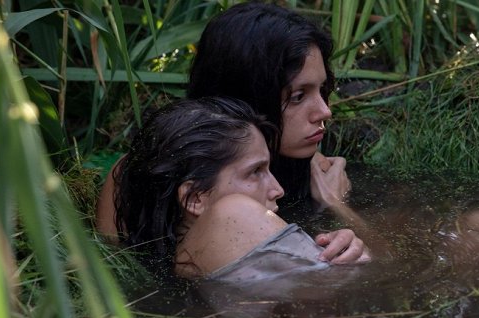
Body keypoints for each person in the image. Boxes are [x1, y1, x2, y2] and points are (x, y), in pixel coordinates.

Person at [95, 2, 375, 253]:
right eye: (298, 96)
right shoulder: (135, 178)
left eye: (322, 89)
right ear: (247, 96)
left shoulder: (319, 173)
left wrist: (337, 206)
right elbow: (117, 275)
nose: (325, 111)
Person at [113, 96, 371, 279]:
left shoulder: (164, 259)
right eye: (255, 171)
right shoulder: (232, 213)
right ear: (195, 198)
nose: (278, 189)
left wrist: (344, 249)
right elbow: (355, 289)